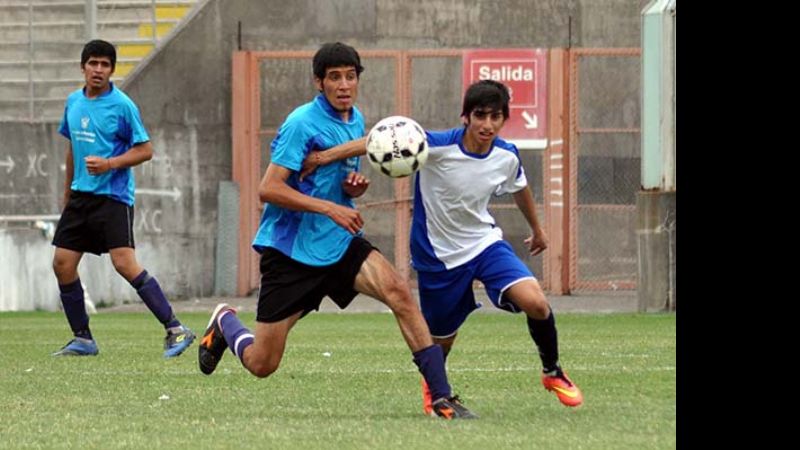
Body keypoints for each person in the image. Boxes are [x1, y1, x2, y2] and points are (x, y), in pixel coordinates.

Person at [197, 42, 475, 420]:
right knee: (262, 363)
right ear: (319, 82)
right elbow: (269, 188)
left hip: (339, 242)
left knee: (399, 292)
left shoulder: (355, 118)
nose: (344, 85)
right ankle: (226, 321)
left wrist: (351, 186)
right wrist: (330, 207)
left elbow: (339, 177)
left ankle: (442, 397)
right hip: (292, 251)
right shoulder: (300, 124)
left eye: (350, 76)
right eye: (334, 77)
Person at [301, 79, 583, 412]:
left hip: (484, 245)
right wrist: (321, 158)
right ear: (466, 116)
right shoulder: (433, 146)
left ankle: (552, 372)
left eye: (495, 117)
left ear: (504, 119)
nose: (487, 125)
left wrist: (537, 229)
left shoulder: (506, 155)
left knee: (535, 301)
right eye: (480, 115)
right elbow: (374, 142)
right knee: (440, 340)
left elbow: (519, 187)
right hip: (438, 257)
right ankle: (434, 385)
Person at [51, 39, 195, 358]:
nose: (98, 70)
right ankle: (83, 339)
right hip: (79, 199)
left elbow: (146, 150)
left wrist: (110, 164)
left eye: (104, 65)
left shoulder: (123, 106)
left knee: (124, 264)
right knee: (62, 264)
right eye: (93, 63)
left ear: (112, 70)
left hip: (113, 198)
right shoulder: (73, 102)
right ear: (83, 67)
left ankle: (175, 328)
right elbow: (72, 150)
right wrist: (66, 197)